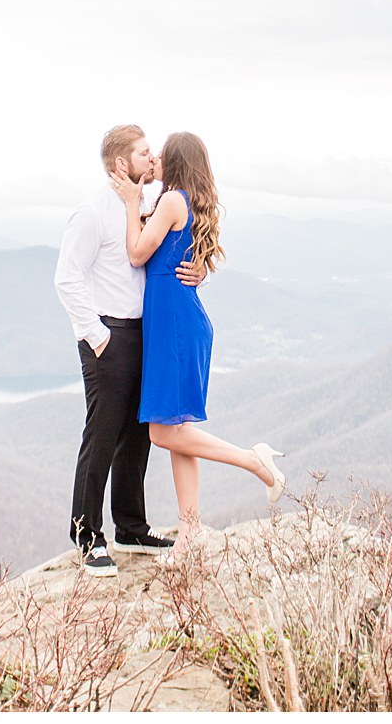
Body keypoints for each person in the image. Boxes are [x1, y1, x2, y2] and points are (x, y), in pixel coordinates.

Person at [109, 130, 286, 553]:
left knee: (162, 434)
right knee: (177, 427)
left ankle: (253, 461)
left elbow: (137, 254)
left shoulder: (171, 201)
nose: (155, 161)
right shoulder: (183, 201)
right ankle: (189, 529)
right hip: (178, 320)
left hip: (173, 324)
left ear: (176, 161)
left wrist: (132, 202)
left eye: (161, 155)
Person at [55, 124, 201, 578]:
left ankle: (131, 528)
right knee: (102, 434)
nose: (152, 157)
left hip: (147, 331)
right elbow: (67, 277)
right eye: (143, 153)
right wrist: (96, 335)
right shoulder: (93, 213)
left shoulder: (150, 206)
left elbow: (162, 256)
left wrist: (198, 271)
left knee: (138, 434)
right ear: (122, 165)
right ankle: (87, 535)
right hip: (108, 334)